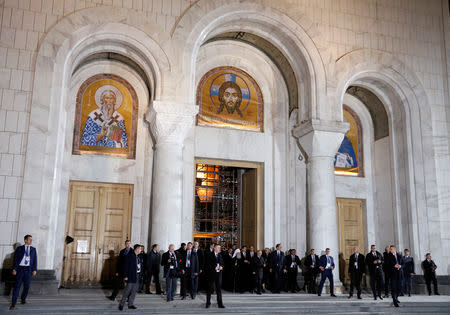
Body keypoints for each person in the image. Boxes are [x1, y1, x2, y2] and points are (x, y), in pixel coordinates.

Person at [10, 235, 37, 310]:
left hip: (28, 270)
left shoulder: (33, 249)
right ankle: (13, 303)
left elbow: (35, 260)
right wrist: (14, 269)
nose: (31, 241)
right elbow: (15, 259)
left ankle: (23, 299)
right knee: (17, 286)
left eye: (31, 239)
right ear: (25, 240)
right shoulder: (19, 249)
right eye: (29, 239)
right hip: (20, 270)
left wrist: (34, 269)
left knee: (27, 286)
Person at [118, 244, 142, 311]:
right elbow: (125, 267)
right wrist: (125, 276)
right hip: (131, 276)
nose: (141, 250)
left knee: (134, 291)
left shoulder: (138, 256)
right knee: (127, 291)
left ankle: (130, 304)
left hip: (137, 275)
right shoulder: (129, 256)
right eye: (140, 249)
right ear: (136, 249)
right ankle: (121, 304)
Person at [205, 244, 225, 309]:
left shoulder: (220, 255)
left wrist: (222, 267)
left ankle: (220, 303)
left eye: (220, 248)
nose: (220, 249)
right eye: (219, 248)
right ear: (215, 248)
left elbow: (222, 263)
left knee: (219, 289)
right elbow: (207, 265)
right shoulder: (209, 255)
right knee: (209, 289)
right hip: (211, 275)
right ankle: (208, 303)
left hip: (219, 275)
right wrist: (214, 267)